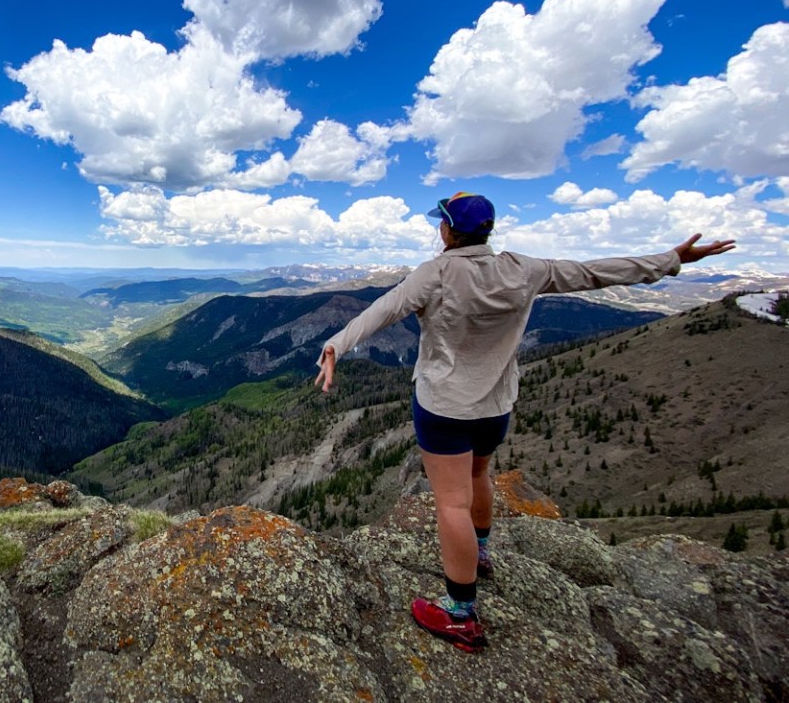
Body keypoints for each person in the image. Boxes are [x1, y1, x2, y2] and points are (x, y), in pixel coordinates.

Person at [314, 191, 735, 653]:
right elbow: (594, 272)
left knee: (450, 503)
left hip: (445, 406)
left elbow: (382, 311)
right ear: (487, 231)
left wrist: (336, 344)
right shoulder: (524, 269)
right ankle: (482, 551)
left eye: (442, 223)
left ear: (447, 230)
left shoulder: (434, 274)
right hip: (497, 402)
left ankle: (460, 614)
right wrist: (671, 259)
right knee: (480, 474)